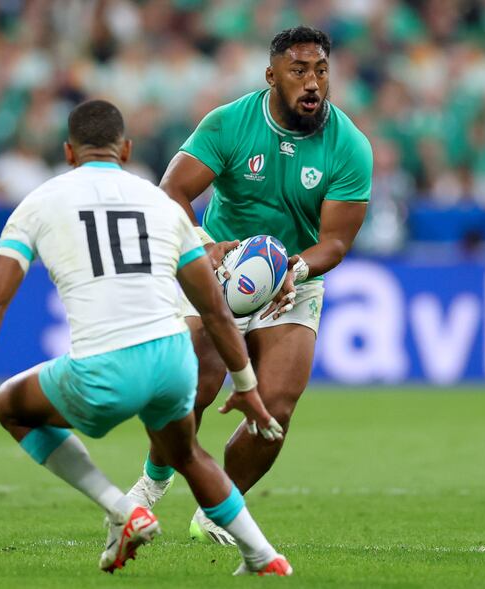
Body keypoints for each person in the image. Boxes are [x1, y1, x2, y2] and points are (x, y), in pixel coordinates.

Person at [0, 100, 293, 576]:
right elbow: (215, 311)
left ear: (68, 152)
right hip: (173, 360)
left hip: (105, 366)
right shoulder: (161, 204)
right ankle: (264, 556)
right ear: (127, 149)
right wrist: (246, 387)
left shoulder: (39, 203)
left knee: (8, 406)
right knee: (186, 454)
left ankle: (123, 510)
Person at [124, 26, 373, 545]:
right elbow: (172, 191)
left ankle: (218, 509)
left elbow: (335, 243)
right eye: (298, 71)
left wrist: (295, 270)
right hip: (220, 268)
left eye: (321, 71)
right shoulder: (230, 122)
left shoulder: (350, 146)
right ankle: (153, 480)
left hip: (295, 277)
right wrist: (200, 243)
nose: (312, 82)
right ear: (271, 76)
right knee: (196, 382)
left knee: (275, 409)